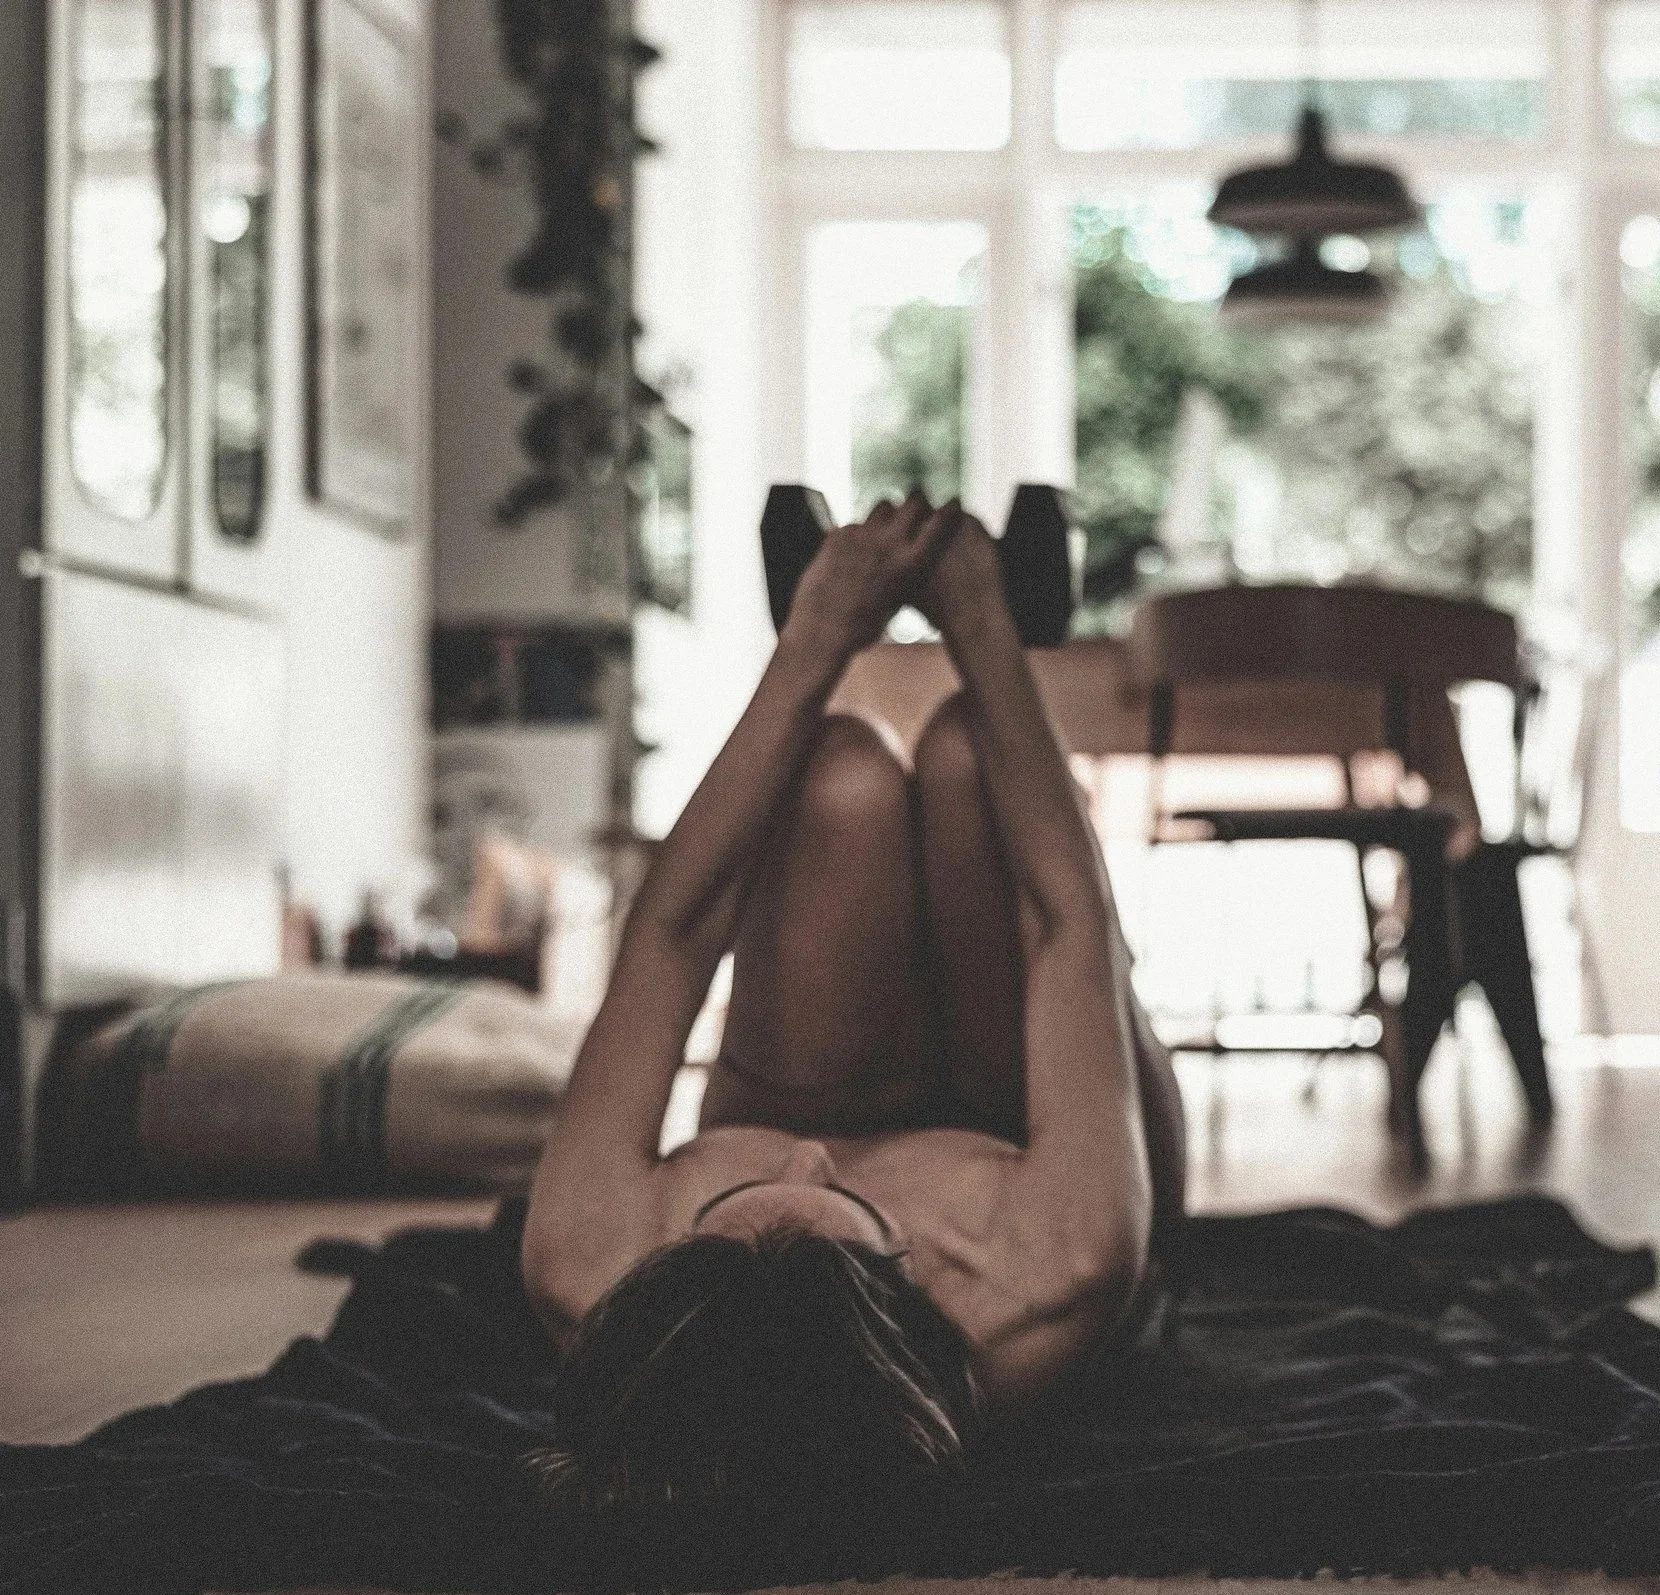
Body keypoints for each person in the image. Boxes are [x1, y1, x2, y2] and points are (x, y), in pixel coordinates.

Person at [521, 493, 1186, 1511]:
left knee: (842, 773)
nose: (808, 1153)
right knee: (970, 751)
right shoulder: (1049, 1268)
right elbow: (1067, 921)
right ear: (911, 1285)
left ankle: (852, 613)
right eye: (849, 1202)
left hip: (823, 1066)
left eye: (735, 1198)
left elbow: (672, 933)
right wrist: (982, 623)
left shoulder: (587, 1253)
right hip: (1029, 1115)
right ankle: (979, 599)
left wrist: (815, 637)